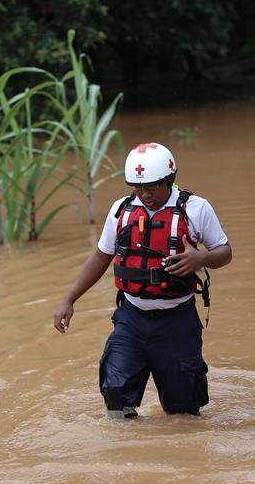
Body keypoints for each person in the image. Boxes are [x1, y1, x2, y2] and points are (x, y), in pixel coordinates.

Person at [53, 142, 232, 418]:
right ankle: (125, 455)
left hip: (177, 321)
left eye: (151, 187)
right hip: (131, 318)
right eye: (138, 188)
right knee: (116, 394)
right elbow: (101, 258)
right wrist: (69, 299)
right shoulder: (120, 210)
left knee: (183, 411)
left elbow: (224, 252)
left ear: (169, 181)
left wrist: (201, 259)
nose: (144, 194)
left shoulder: (196, 209)